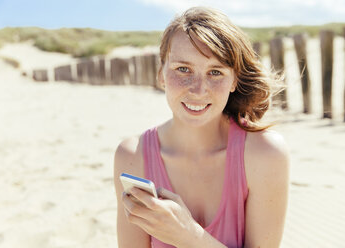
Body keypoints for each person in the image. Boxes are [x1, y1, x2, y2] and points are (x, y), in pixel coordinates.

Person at [114, 6, 289, 248]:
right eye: (183, 69)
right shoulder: (132, 156)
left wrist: (188, 236)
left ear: (234, 80)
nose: (198, 90)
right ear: (161, 74)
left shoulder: (264, 154)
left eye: (215, 72)